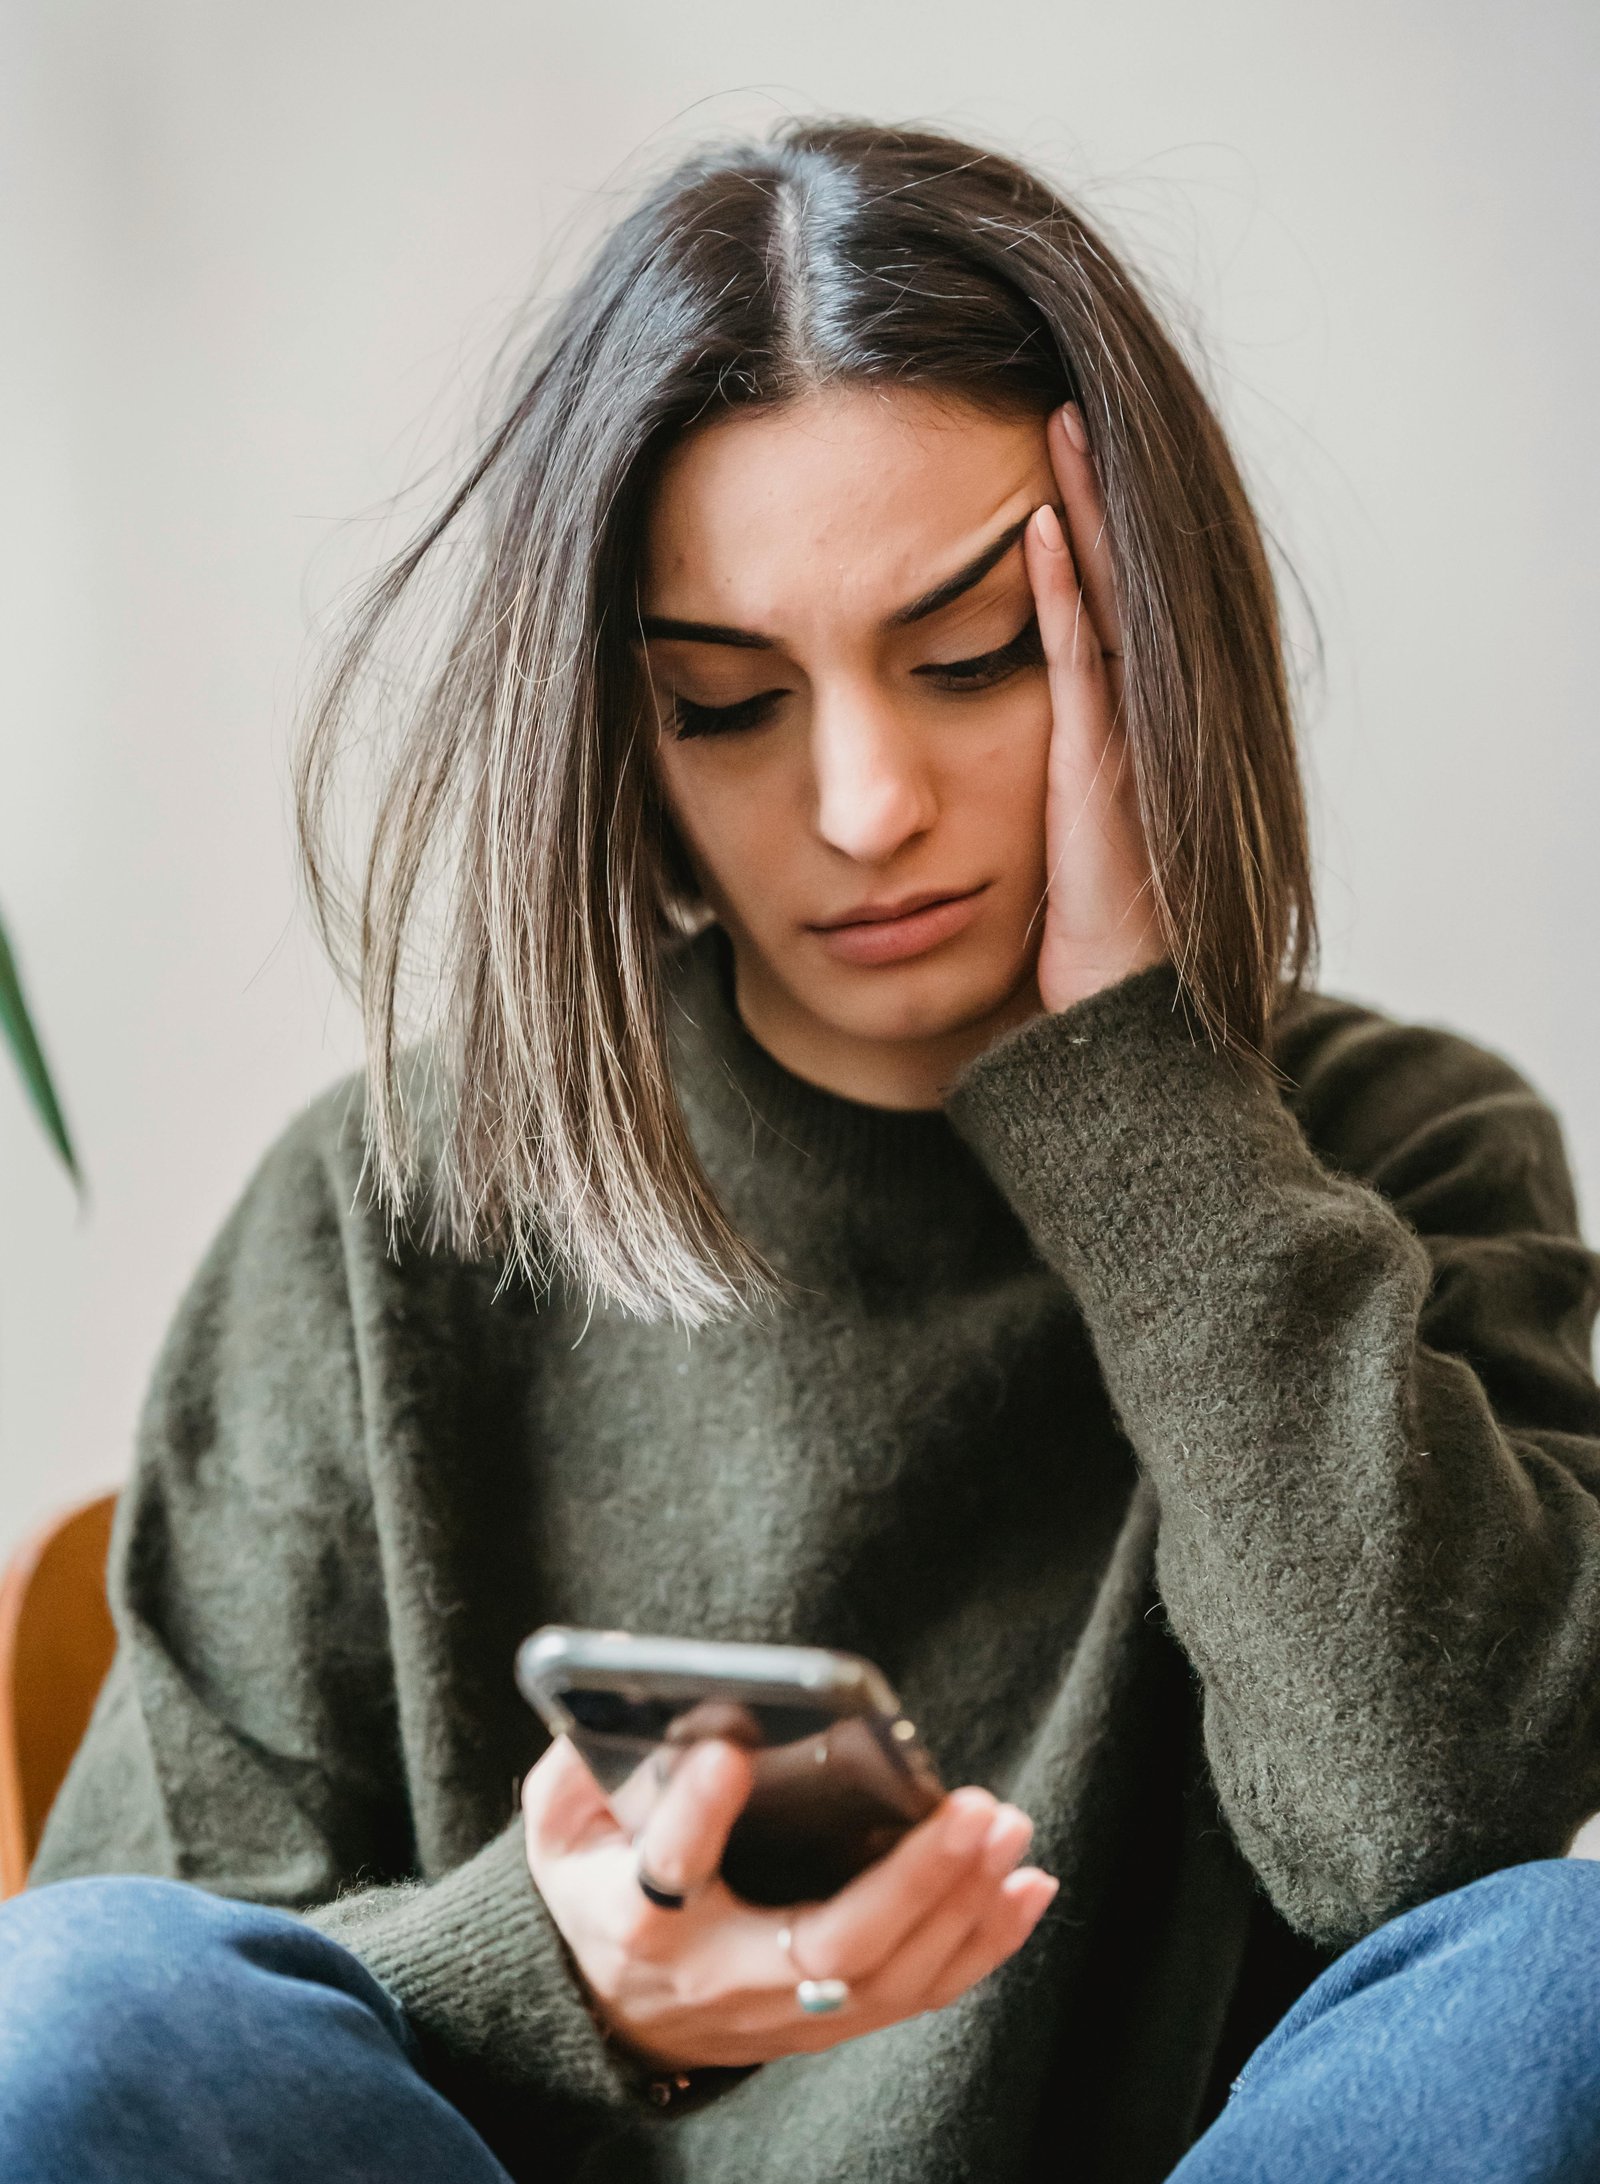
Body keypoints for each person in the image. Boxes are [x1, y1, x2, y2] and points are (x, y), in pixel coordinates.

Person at [6, 116, 1600, 2184]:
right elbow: (134, 2010)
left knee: (1562, 1969)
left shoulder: (1405, 1144)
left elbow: (1424, 1833)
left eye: (971, 659)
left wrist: (1135, 1106)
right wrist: (561, 1979)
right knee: (80, 2005)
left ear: (1151, 642)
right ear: (620, 737)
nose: (861, 803)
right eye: (728, 706)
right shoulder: (389, 1211)